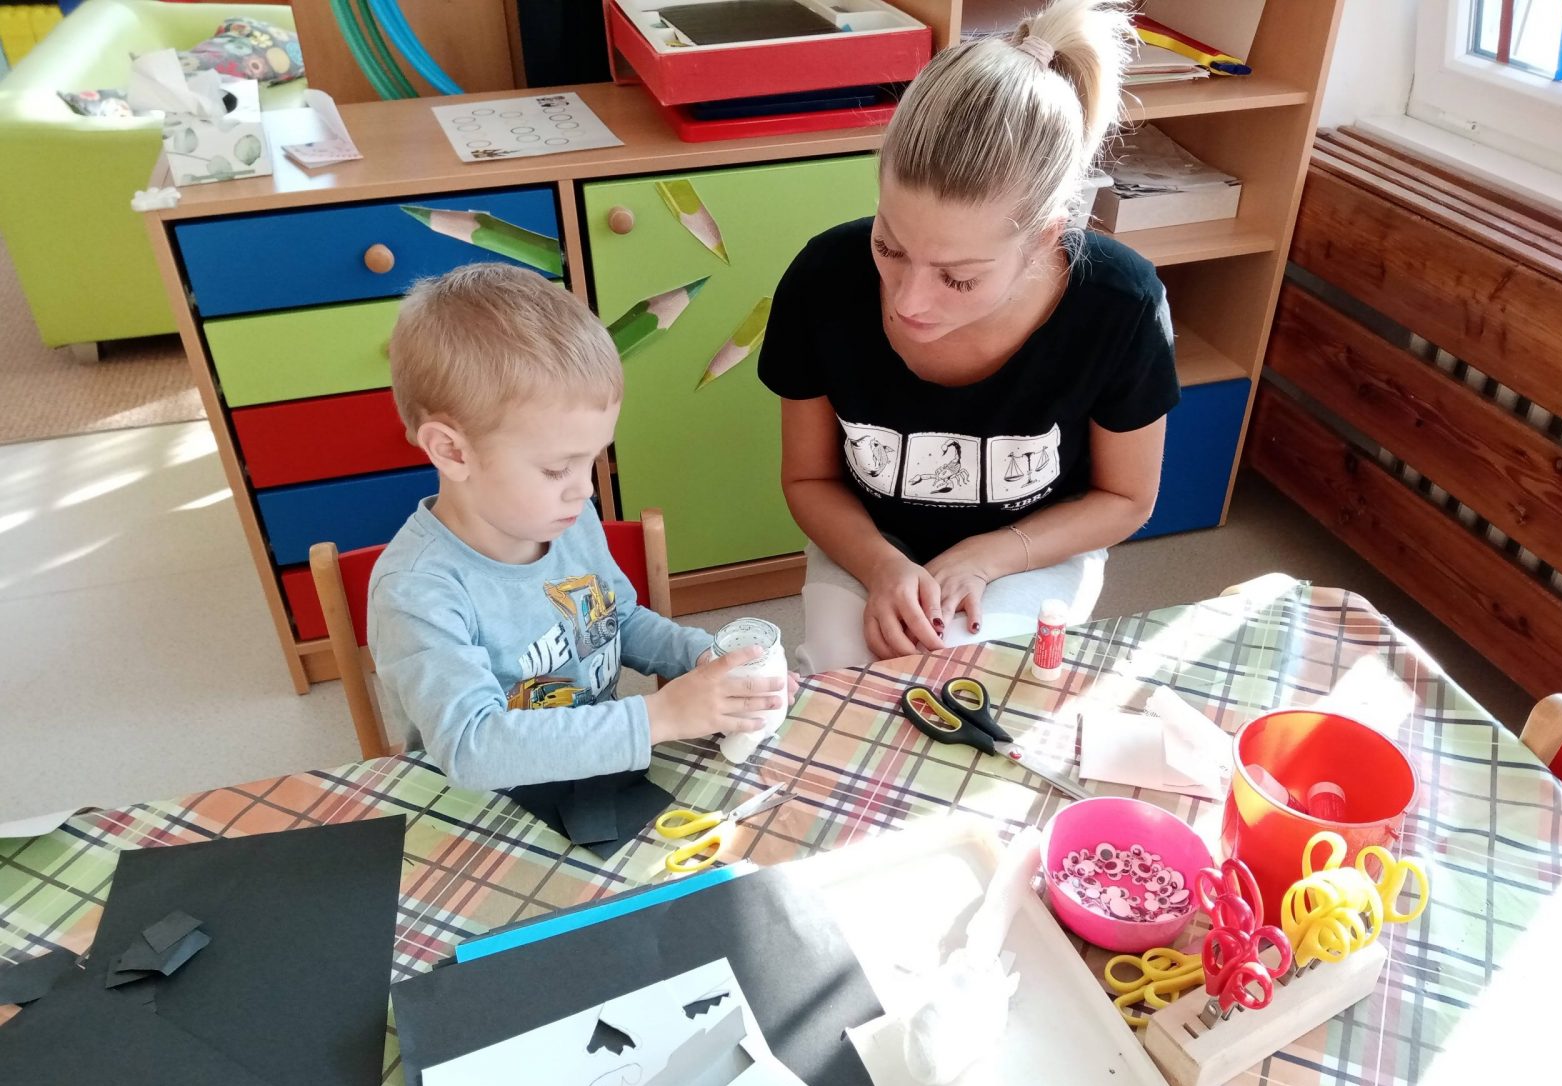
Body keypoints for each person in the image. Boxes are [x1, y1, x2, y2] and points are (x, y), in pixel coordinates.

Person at [759, 0, 1180, 673]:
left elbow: (1126, 498)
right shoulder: (823, 281)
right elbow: (809, 477)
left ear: (1043, 239)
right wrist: (881, 566)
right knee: (846, 673)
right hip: (869, 538)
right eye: (889, 247)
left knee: (983, 677)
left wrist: (989, 556)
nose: (908, 301)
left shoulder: (1119, 308)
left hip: (1033, 545)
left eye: (958, 278)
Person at [366, 263, 785, 793]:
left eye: (593, 459)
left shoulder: (567, 518)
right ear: (451, 451)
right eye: (555, 469)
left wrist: (700, 655)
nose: (584, 490)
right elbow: (472, 747)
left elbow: (616, 619)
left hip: (596, 778)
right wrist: (660, 716)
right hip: (487, 806)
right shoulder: (416, 591)